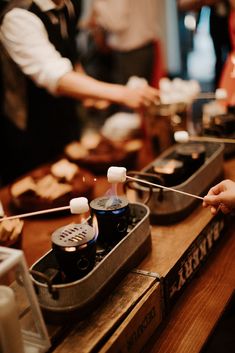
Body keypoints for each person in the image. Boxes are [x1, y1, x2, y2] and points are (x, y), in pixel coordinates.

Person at [0, 0, 158, 184]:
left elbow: (69, 57)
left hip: (63, 122)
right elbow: (54, 74)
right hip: (28, 134)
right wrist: (122, 94)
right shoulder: (18, 16)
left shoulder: (67, 5)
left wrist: (90, 94)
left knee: (74, 186)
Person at [83, 0, 160, 85]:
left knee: (130, 94)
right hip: (146, 46)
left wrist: (98, 6)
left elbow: (117, 22)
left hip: (130, 51)